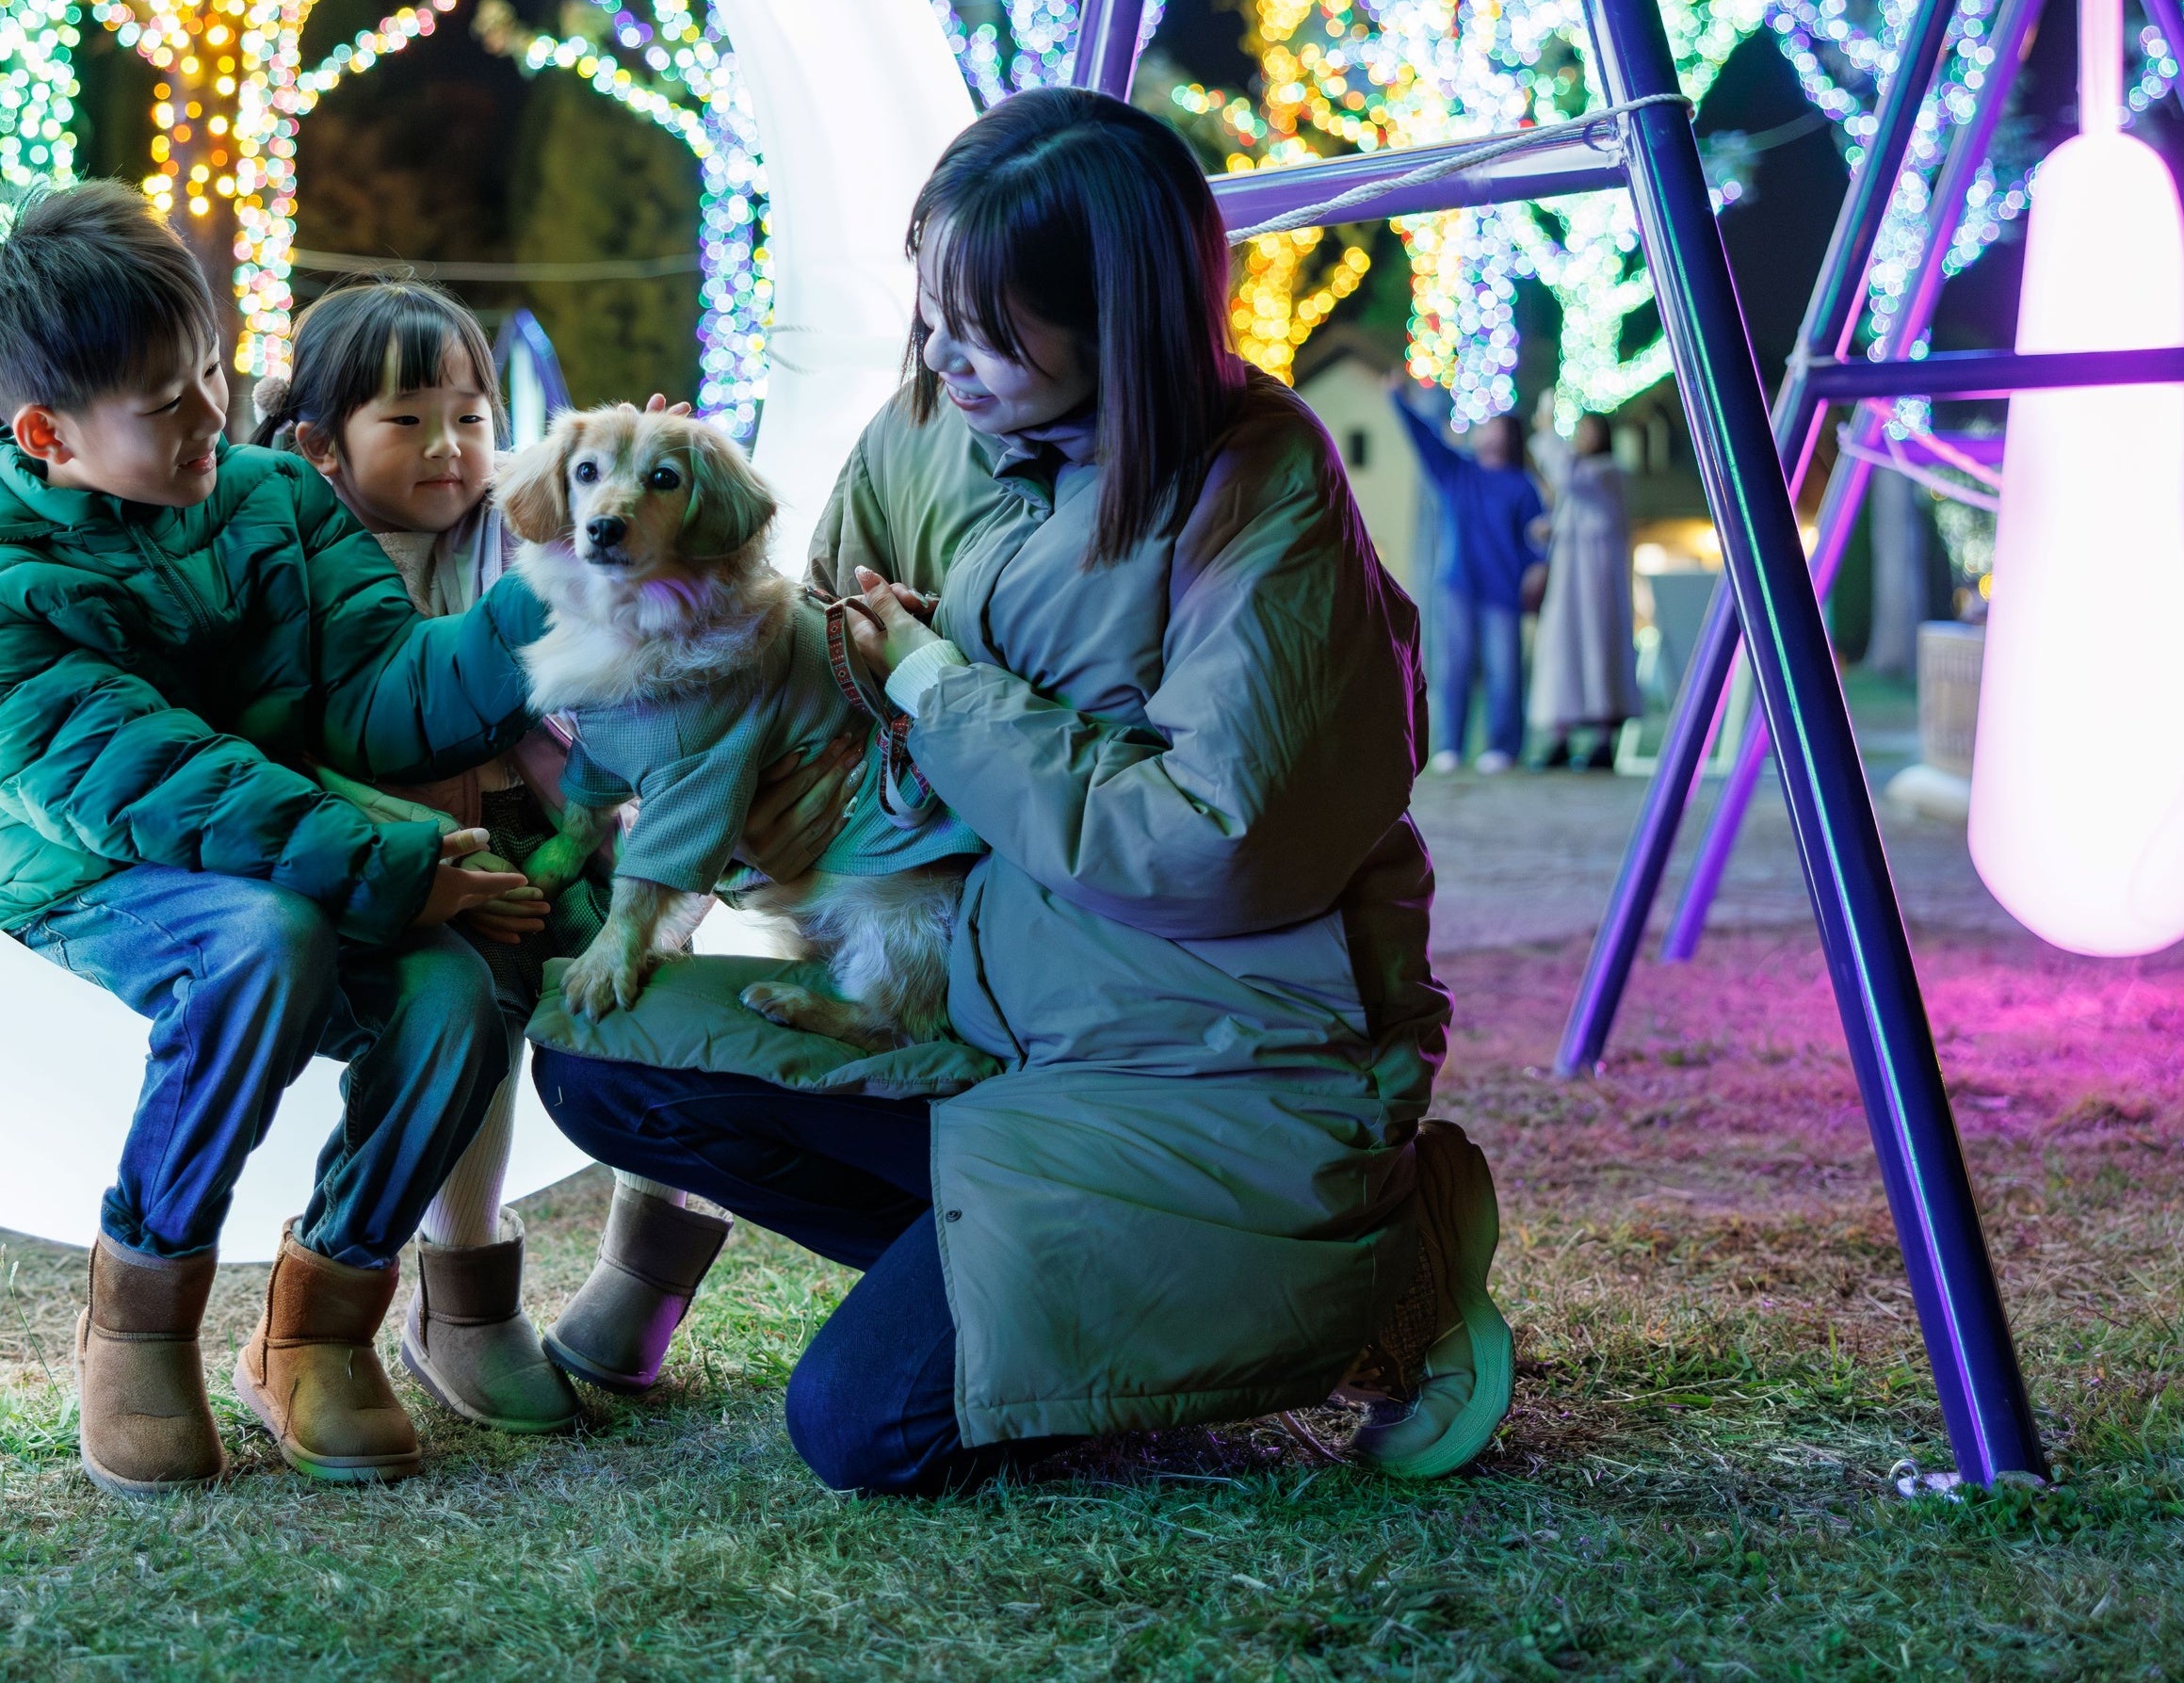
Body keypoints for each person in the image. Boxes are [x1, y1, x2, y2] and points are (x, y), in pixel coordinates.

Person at [529, 88, 1510, 1497]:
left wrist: (938, 685)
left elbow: (1216, 847)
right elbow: (825, 660)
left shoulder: (1263, 484)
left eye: (987, 331)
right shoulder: (927, 421)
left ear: (1124, 323)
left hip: (1188, 1055)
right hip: (965, 1004)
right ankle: (1040, 1279)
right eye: (933, 313)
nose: (944, 358)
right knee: (598, 1053)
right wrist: (692, 736)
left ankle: (1372, 1271)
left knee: (863, 1430)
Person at [0, 186, 555, 1496]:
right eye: (166, 401)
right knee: (265, 939)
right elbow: (157, 784)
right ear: (47, 433)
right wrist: (389, 865)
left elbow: (381, 690)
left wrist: (553, 599)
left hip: (304, 857)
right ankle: (138, 1319)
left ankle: (321, 1326)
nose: (212, 416)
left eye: (216, 373)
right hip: (100, 880)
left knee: (454, 989)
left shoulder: (278, 497)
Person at [251, 277, 579, 1436]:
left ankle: (641, 1274)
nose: (449, 448)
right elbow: (293, 744)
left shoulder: (513, 529)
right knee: (475, 1014)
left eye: (471, 417)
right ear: (317, 444)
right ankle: (465, 1288)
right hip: (391, 857)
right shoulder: (291, 563)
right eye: (406, 419)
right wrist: (420, 860)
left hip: (544, 833)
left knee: (639, 986)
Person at [1391, 382, 1549, 773]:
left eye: (1494, 425)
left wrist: (1537, 570)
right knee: (1454, 667)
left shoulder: (1522, 485)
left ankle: (1503, 747)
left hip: (1504, 590)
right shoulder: (1456, 471)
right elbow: (1424, 440)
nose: (1484, 430)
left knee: (1504, 670)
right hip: (1458, 585)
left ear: (1508, 437)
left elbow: (1537, 541)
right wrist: (1398, 400)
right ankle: (1451, 746)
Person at [1529, 412, 1640, 771]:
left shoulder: (1607, 472)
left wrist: (1547, 434)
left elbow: (1572, 482)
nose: (1582, 436)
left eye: (1590, 430)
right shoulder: (1582, 476)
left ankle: (1603, 738)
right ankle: (1560, 736)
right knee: (1563, 649)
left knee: (1597, 648)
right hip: (1568, 581)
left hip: (1596, 581)